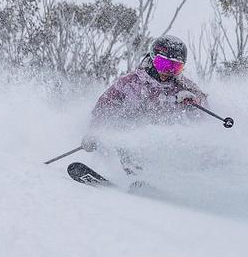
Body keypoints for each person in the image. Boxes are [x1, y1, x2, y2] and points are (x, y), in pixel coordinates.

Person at [81, 35, 208, 174]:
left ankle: (166, 179)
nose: (167, 71)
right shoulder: (129, 83)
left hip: (162, 141)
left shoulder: (183, 86)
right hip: (129, 131)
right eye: (163, 64)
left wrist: (193, 102)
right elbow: (103, 108)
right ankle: (132, 176)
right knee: (126, 141)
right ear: (153, 59)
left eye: (175, 67)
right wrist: (92, 133)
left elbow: (204, 110)